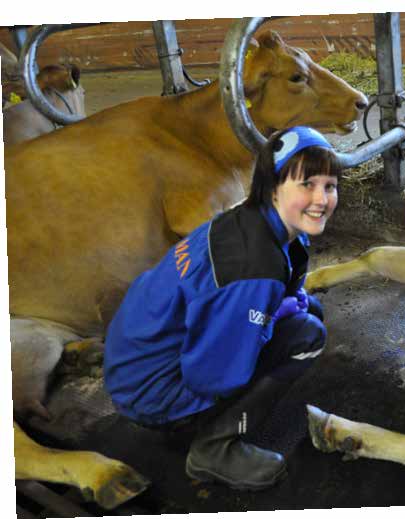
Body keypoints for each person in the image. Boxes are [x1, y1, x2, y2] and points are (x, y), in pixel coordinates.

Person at [103, 126, 341, 490]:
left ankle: (204, 425)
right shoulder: (254, 267)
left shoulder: (252, 218)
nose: (322, 199)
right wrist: (263, 326)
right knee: (308, 336)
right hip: (150, 392)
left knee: (309, 311)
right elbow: (213, 376)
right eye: (306, 184)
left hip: (136, 359)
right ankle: (214, 448)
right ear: (272, 186)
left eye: (329, 185)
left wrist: (273, 312)